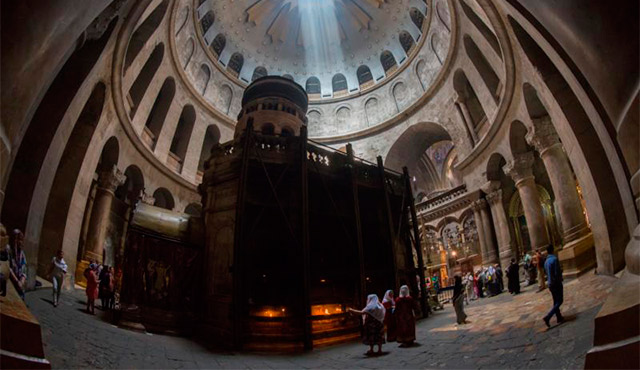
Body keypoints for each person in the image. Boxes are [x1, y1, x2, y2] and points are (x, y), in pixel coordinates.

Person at [543, 245, 564, 327]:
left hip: (550, 284)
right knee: (560, 301)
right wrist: (560, 280)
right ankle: (548, 316)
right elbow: (557, 273)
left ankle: (559, 317)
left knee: (555, 301)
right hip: (556, 283)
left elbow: (546, 273)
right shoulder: (554, 259)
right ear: (553, 250)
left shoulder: (546, 261)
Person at [6, 229, 27, 299]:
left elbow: (24, 268)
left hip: (19, 283)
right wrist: (17, 281)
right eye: (18, 239)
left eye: (21, 240)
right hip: (10, 282)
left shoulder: (22, 254)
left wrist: (21, 281)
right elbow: (8, 267)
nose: (20, 242)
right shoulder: (8, 250)